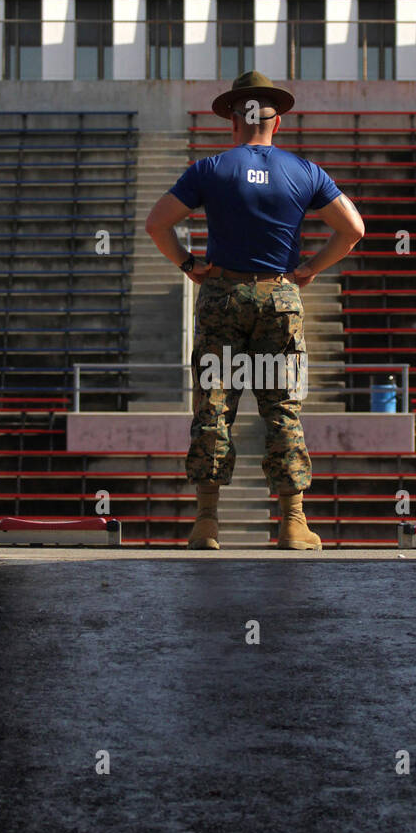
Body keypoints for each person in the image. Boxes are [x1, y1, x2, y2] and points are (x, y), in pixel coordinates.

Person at [145, 70, 365, 551]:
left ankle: (206, 523)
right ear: (276, 122)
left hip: (221, 295)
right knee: (282, 408)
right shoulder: (305, 171)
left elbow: (157, 223)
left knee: (213, 407)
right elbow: (353, 229)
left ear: (232, 123)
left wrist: (187, 263)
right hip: (280, 298)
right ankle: (291, 523)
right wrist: (309, 268)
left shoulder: (210, 169)